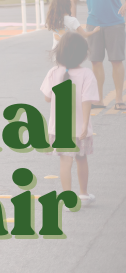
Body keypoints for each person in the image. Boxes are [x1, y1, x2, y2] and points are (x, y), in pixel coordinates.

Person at [41, 32, 99, 204]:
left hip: (60, 130)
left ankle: (68, 199)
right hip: (80, 128)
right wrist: (85, 125)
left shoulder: (53, 72)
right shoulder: (86, 74)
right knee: (81, 159)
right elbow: (86, 100)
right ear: (83, 54)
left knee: (65, 162)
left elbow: (47, 97)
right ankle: (83, 194)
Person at [69, 0, 126, 110]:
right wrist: (74, 23)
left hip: (115, 21)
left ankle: (119, 99)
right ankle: (99, 100)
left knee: (116, 60)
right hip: (93, 25)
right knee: (95, 61)